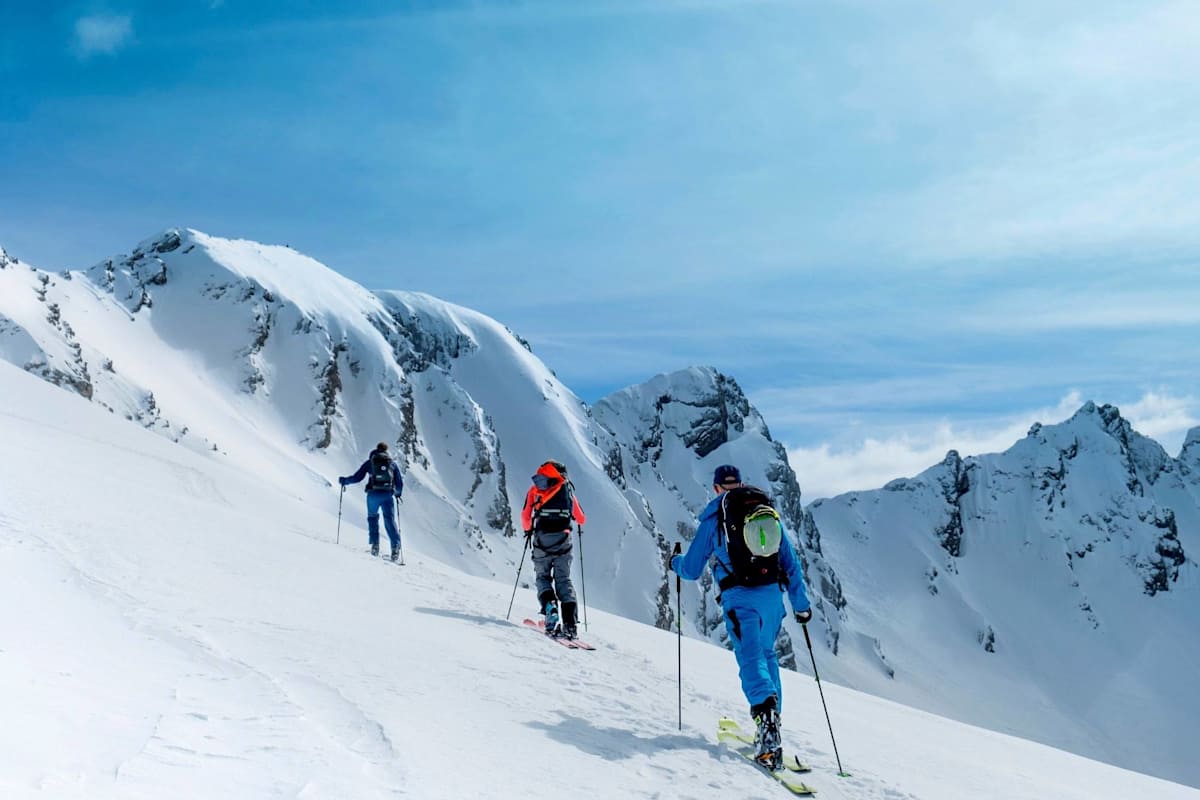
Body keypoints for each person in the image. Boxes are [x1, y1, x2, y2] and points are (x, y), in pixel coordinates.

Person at [671, 464, 812, 770]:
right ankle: (773, 725)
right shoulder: (764, 511)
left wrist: (675, 562)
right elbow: (790, 561)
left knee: (751, 659)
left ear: (716, 487)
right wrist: (801, 604)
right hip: (773, 597)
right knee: (767, 655)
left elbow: (692, 568)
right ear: (741, 483)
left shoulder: (716, 517)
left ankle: (766, 725)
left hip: (741, 598)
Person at [521, 460, 586, 639]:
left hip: (541, 541)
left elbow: (525, 515)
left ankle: (550, 609)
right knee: (563, 580)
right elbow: (581, 518)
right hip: (564, 541)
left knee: (543, 577)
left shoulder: (535, 490)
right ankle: (570, 624)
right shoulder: (567, 490)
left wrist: (528, 531)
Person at [339, 442, 404, 561]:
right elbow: (399, 484)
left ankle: (375, 546)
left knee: (373, 518)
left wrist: (344, 481)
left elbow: (357, 477)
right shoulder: (392, 464)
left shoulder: (370, 462)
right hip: (387, 495)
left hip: (372, 495)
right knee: (389, 520)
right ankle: (395, 548)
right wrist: (397, 494)